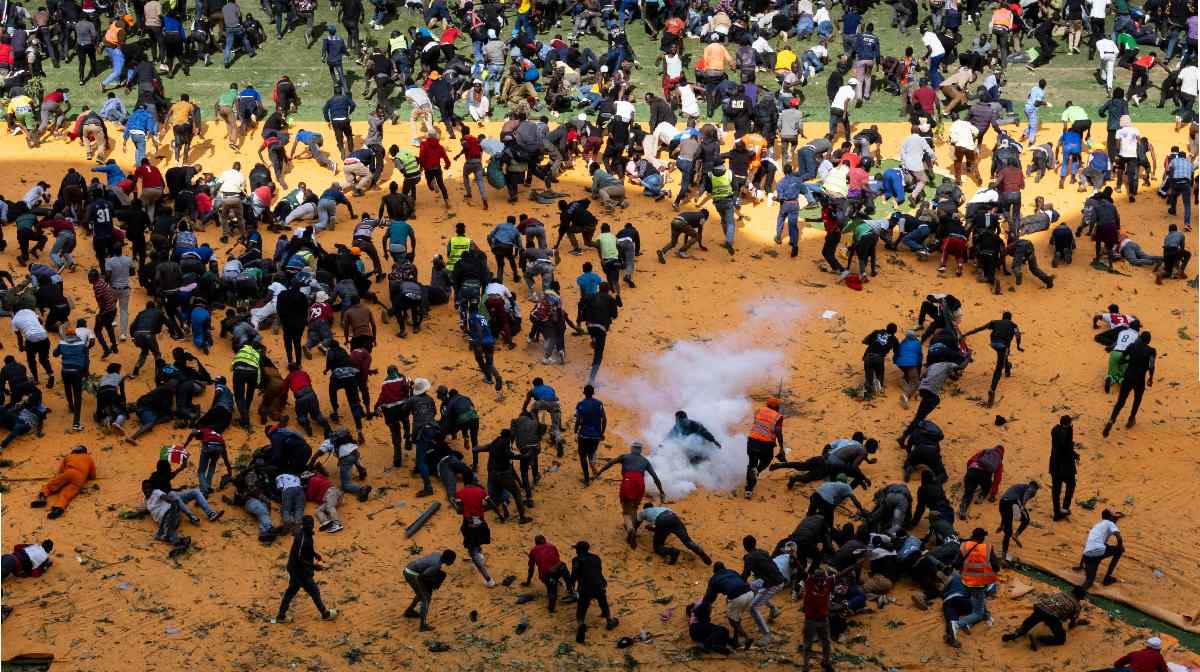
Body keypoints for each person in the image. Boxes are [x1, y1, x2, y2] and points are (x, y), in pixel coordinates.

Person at [592, 443, 666, 548]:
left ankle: (631, 530)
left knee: (626, 512)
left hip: (628, 482)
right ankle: (633, 528)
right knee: (634, 508)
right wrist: (661, 491)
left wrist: (598, 472)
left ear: (631, 449)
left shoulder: (624, 456)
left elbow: (610, 464)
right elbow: (655, 477)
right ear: (640, 451)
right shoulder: (645, 461)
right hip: (640, 485)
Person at [271, 515, 338, 623]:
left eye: (312, 524)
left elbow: (306, 550)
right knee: (314, 591)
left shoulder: (306, 534)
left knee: (291, 591)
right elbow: (298, 558)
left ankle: (281, 616)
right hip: (299, 571)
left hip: (296, 569)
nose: (311, 526)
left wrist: (315, 554)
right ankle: (324, 613)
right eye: (308, 524)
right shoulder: (302, 538)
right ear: (304, 525)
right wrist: (313, 566)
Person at [961, 312, 1023, 408]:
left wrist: (966, 333)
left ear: (1002, 318)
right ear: (1010, 319)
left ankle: (1007, 371)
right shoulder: (1013, 325)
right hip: (1003, 345)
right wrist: (1019, 346)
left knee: (1003, 355)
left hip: (994, 343)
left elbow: (980, 328)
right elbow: (1018, 335)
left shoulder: (995, 322)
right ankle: (992, 389)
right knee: (999, 368)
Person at [1001, 586, 1088, 650]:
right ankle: (1038, 639)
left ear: (1072, 590)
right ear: (1081, 598)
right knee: (1061, 639)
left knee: (1030, 622)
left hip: (1040, 607)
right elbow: (1071, 625)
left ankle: (1017, 633)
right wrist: (1078, 622)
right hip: (1052, 616)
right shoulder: (1077, 606)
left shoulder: (1062, 593)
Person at [1103, 331, 1155, 437]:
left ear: (1140, 338)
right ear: (1149, 341)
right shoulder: (1151, 351)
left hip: (1128, 377)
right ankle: (1131, 418)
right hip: (1139, 379)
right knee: (1137, 399)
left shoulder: (1132, 346)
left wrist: (1127, 362)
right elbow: (1152, 365)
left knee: (1120, 401)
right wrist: (1150, 378)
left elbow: (1122, 358)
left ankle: (1111, 420)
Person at [570, 540, 619, 643]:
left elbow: (574, 575)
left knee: (581, 608)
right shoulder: (596, 557)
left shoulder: (576, 560)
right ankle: (609, 620)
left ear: (578, 550)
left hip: (585, 588)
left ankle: (581, 624)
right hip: (599, 585)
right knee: (603, 602)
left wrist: (571, 586)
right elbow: (598, 571)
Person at [29, 446, 96, 519]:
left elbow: (60, 471)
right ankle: (59, 508)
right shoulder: (89, 458)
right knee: (66, 494)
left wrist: (60, 480)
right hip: (80, 479)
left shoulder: (69, 456)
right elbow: (93, 476)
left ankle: (42, 497)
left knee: (51, 485)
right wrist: (86, 476)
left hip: (69, 472)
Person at [701, 561, 756, 650]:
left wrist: (704, 606)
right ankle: (735, 640)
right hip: (750, 593)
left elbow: (710, 597)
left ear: (714, 571)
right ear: (724, 567)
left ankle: (747, 638)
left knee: (732, 621)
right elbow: (741, 580)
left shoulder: (714, 579)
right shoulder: (732, 571)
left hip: (736, 597)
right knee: (736, 617)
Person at [634, 503, 712, 565]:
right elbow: (664, 527)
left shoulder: (644, 512)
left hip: (662, 520)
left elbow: (637, 523)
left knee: (657, 546)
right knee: (687, 541)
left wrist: (633, 532)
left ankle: (672, 552)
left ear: (645, 508)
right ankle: (700, 552)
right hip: (673, 517)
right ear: (652, 506)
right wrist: (653, 529)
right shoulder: (662, 508)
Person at [958, 527, 999, 632]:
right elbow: (996, 567)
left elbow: (957, 563)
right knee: (977, 614)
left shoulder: (964, 546)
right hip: (978, 584)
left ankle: (985, 613)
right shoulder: (987, 548)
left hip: (964, 581)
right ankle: (960, 623)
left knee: (978, 598)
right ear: (981, 538)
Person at [744, 396, 785, 499]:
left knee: (751, 463)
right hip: (766, 445)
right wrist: (781, 447)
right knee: (767, 460)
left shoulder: (759, 410)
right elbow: (778, 432)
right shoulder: (777, 416)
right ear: (777, 407)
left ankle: (749, 490)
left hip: (752, 441)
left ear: (767, 404)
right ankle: (757, 471)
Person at [403, 550, 456, 631]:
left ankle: (409, 612)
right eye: (452, 560)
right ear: (448, 560)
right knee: (426, 598)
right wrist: (429, 586)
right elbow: (421, 577)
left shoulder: (437, 554)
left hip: (410, 568)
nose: (452, 563)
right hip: (412, 574)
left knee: (421, 593)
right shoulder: (436, 566)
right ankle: (422, 625)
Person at [522, 535, 575, 612]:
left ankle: (551, 608)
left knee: (552, 591)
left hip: (547, 574)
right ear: (545, 540)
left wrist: (528, 581)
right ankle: (570, 590)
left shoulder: (533, 551)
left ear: (536, 543)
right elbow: (557, 559)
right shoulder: (552, 546)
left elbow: (531, 568)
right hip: (560, 568)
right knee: (564, 570)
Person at [1075, 509, 1124, 588]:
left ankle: (1078, 592)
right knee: (1120, 550)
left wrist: (1081, 565)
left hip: (1087, 556)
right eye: (1114, 517)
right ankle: (1107, 578)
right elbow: (1119, 538)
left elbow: (1089, 546)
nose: (1116, 519)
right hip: (1099, 551)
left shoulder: (1097, 525)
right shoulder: (1110, 523)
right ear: (1110, 518)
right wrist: (1119, 547)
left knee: (1089, 581)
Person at [799, 564, 836, 667]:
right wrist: (794, 557)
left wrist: (856, 564)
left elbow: (841, 574)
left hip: (823, 620)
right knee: (807, 644)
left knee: (826, 643)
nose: (820, 581)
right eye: (817, 579)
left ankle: (826, 662)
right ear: (813, 578)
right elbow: (802, 571)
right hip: (810, 620)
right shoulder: (809, 583)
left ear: (824, 578)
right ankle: (805, 667)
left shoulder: (827, 582)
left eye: (822, 579)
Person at [573, 384, 607, 485]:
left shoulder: (580, 404)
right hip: (595, 435)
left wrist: (575, 430)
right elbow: (604, 419)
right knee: (592, 453)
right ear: (593, 393)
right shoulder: (599, 404)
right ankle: (594, 467)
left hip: (584, 435)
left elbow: (579, 420)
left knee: (582, 456)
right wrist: (602, 433)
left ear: (584, 393)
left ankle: (587, 479)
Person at [959, 445, 1005, 518]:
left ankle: (963, 508)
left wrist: (969, 473)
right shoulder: (999, 461)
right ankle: (981, 496)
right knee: (987, 486)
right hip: (984, 476)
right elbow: (997, 480)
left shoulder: (985, 451)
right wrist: (993, 493)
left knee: (968, 492)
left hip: (972, 471)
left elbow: (970, 461)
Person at [997, 481, 1038, 560]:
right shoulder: (1031, 488)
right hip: (1013, 502)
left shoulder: (1018, 486)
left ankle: (1003, 557)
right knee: (1026, 520)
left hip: (1002, 503)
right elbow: (1027, 494)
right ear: (1034, 487)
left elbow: (1004, 514)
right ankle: (1016, 535)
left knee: (1008, 532)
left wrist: (1002, 525)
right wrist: (1022, 506)